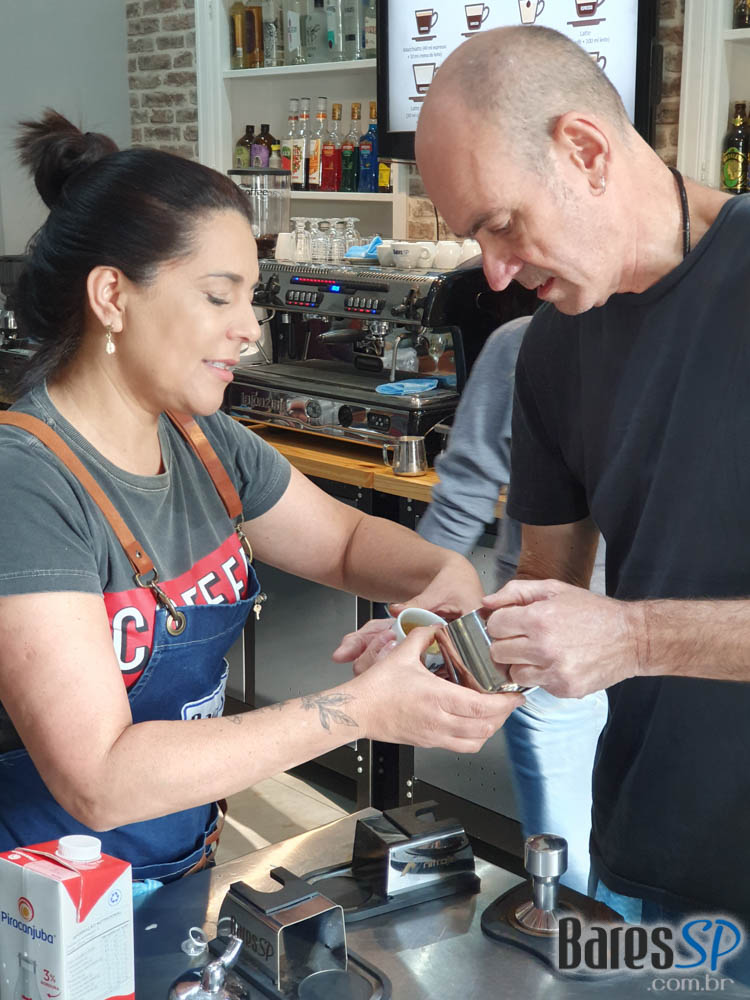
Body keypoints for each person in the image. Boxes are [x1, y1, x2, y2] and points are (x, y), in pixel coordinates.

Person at [0, 110, 523, 882]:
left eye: (251, 297)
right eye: (221, 297)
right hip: (42, 902)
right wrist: (359, 709)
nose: (249, 329)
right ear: (112, 295)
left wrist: (442, 578)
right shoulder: (26, 483)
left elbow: (346, 543)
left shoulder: (203, 441)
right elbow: (99, 779)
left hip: (176, 863)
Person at [415, 25, 750, 932]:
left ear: (587, 152)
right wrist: (451, 650)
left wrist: (635, 636)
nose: (495, 272)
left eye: (501, 224)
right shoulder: (551, 347)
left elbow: (623, 634)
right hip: (646, 849)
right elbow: (546, 583)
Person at [417, 314, 608, 895]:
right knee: (567, 872)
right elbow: (465, 490)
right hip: (546, 652)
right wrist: (414, 625)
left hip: (680, 664)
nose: (500, 277)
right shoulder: (529, 340)